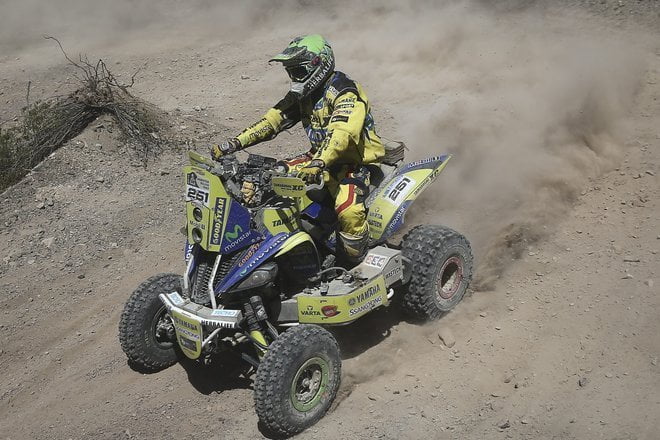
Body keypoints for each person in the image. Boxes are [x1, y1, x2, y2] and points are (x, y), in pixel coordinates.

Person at [212, 34, 384, 262]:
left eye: (298, 71)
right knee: (267, 178)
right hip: (318, 159)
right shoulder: (304, 94)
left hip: (354, 163)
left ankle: (355, 258)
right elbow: (273, 120)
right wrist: (234, 143)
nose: (294, 77)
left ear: (319, 65)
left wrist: (318, 163)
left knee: (349, 211)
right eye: (291, 72)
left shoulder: (345, 91)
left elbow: (342, 134)